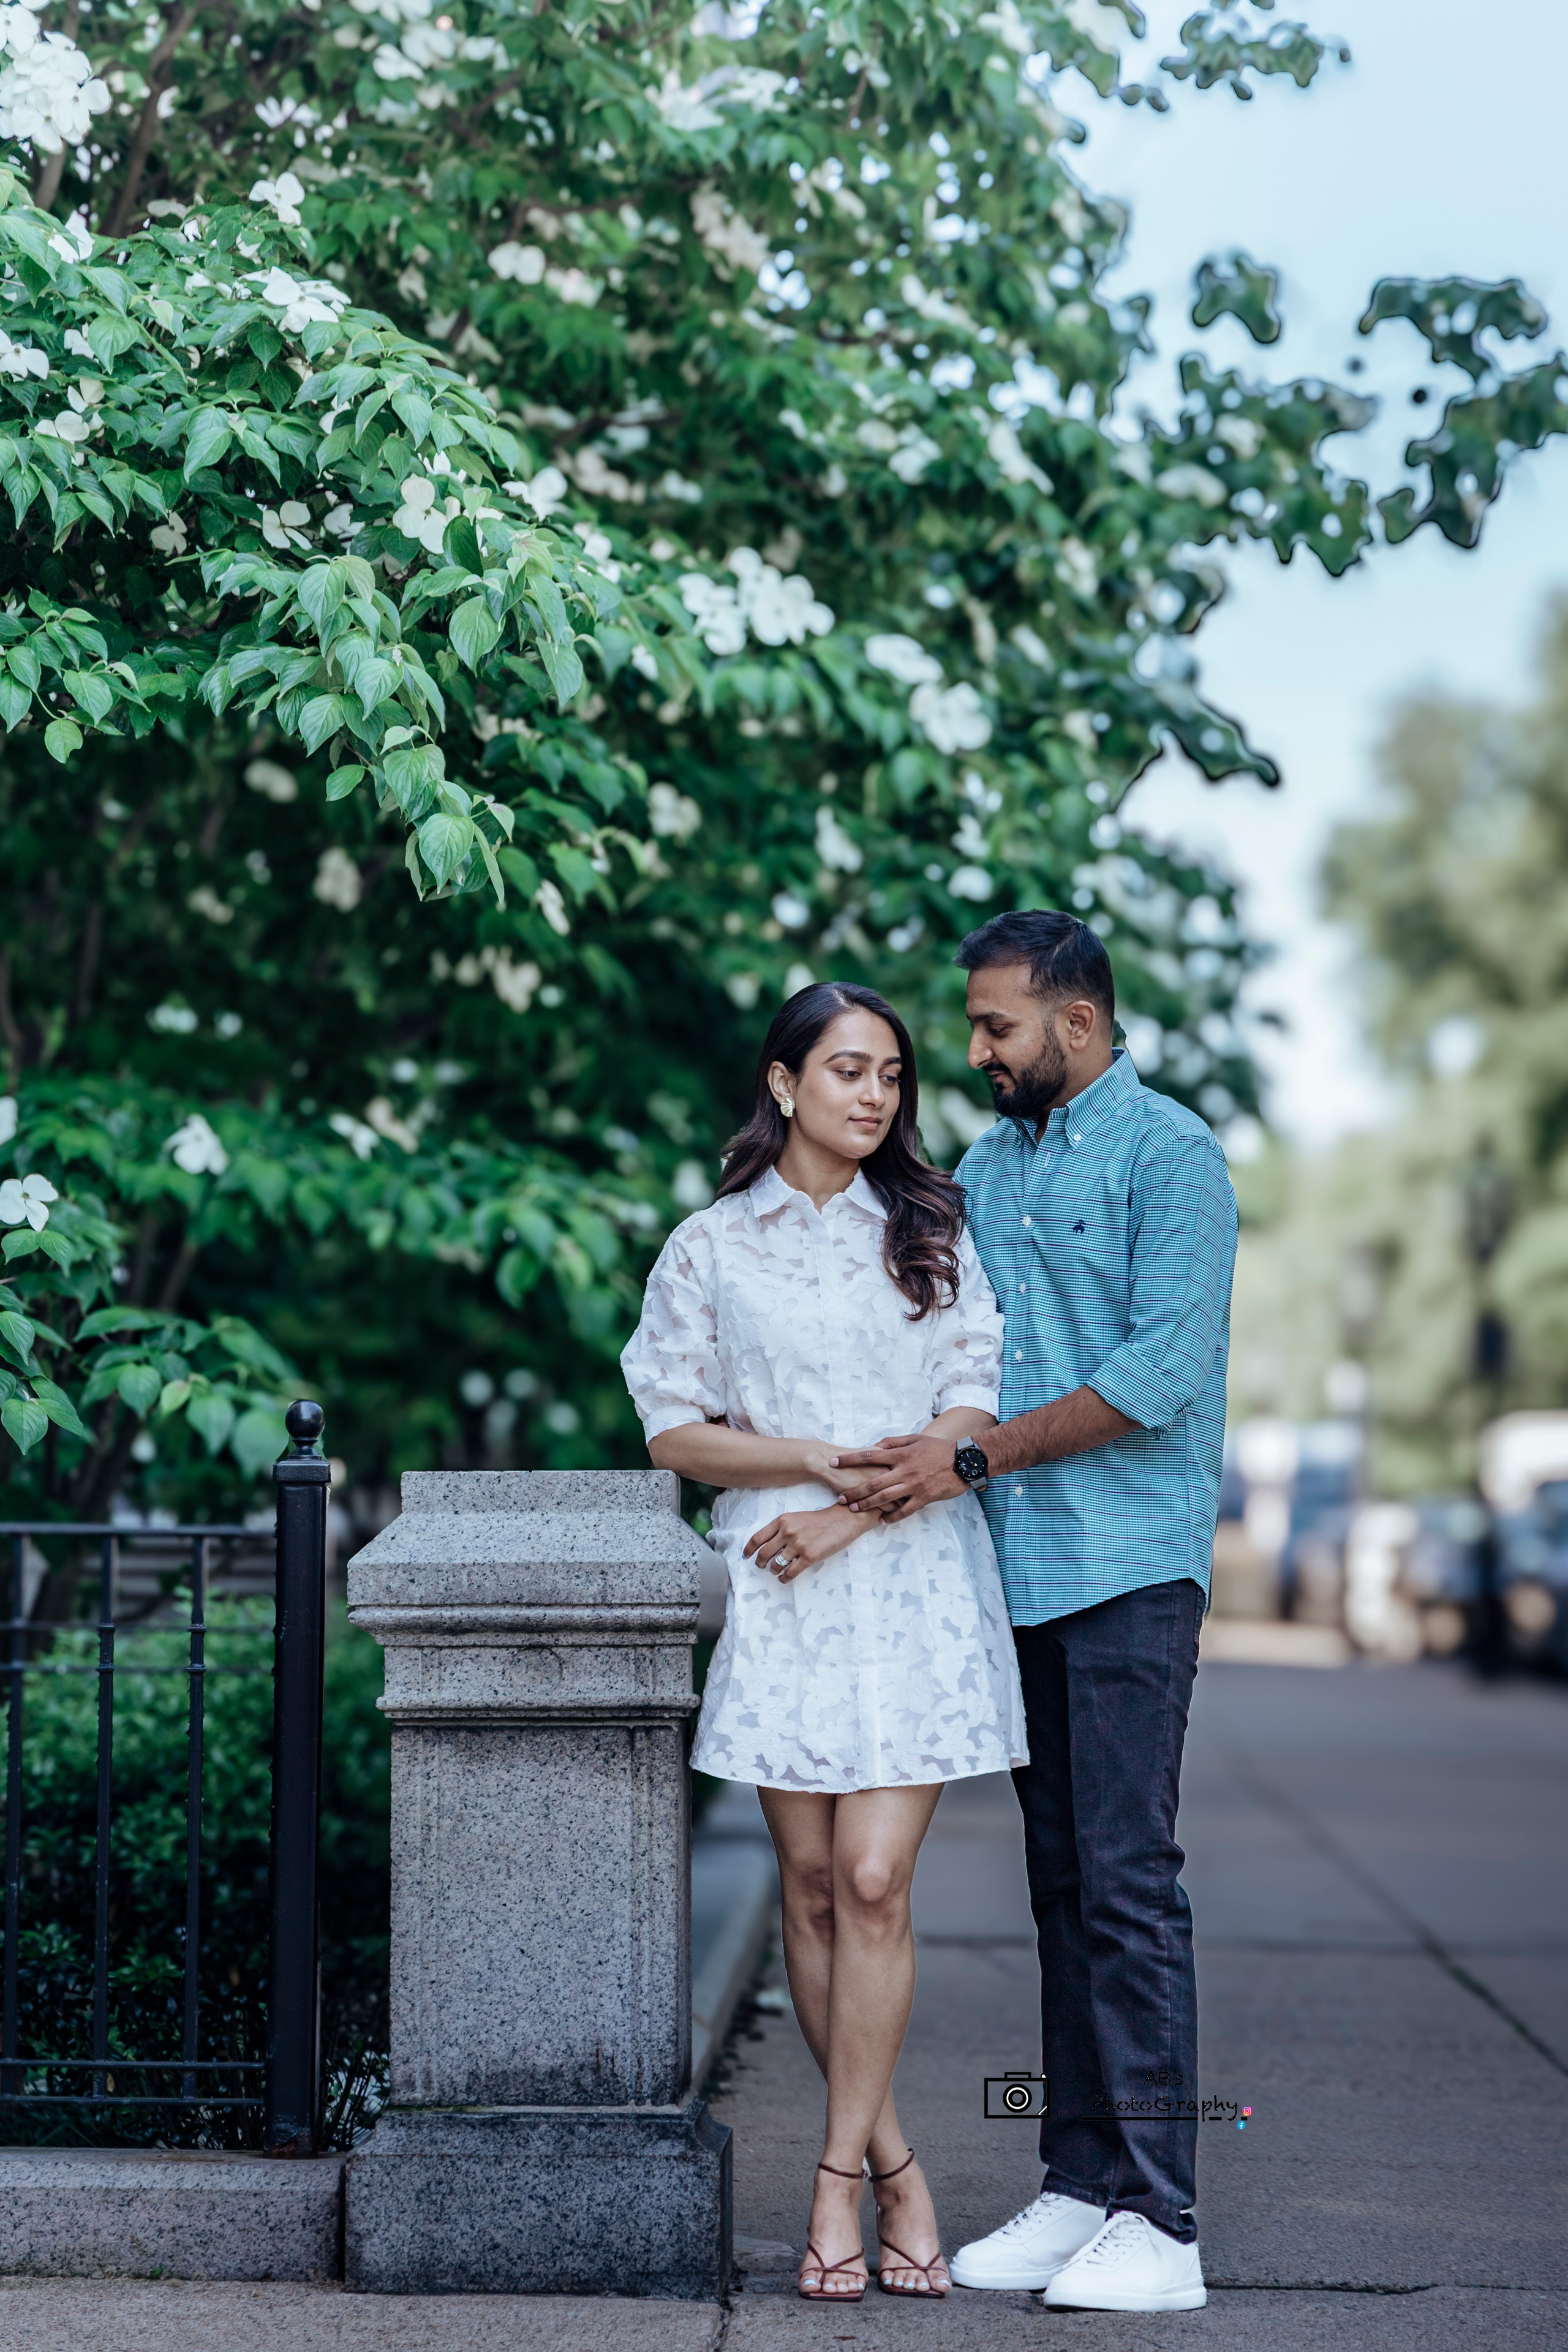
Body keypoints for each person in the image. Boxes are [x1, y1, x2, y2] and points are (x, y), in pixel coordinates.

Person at [835, 910, 1237, 2316]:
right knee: (1060, 1891)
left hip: (1129, 1565)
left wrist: (971, 1457)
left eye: (995, 1028)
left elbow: (1158, 1374)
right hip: (1014, 1574)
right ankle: (1078, 2189)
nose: (975, 1053)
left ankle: (1159, 2221)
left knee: (1127, 1888)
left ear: (1075, 1023)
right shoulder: (987, 1170)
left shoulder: (1171, 1155)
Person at [620, 981, 1027, 2304]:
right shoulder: (709, 1248)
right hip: (779, 1590)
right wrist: (802, 1460)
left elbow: (968, 1422)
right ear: (784, 1083)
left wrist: (846, 1516)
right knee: (802, 1891)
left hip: (905, 1585)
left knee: (867, 1882)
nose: (874, 1095)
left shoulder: (932, 1231)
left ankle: (832, 2186)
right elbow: (673, 1431)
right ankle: (897, 2165)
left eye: (893, 1076)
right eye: (848, 1070)